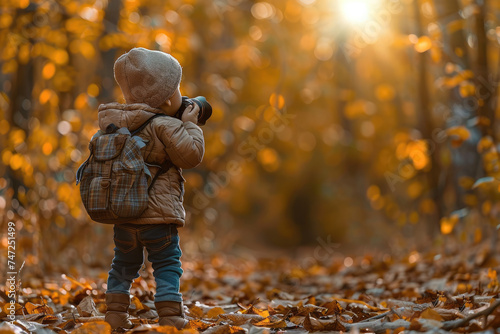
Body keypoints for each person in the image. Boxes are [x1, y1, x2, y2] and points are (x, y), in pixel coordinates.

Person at [99, 47, 205, 330]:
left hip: (123, 214)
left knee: (123, 262)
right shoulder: (164, 125)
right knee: (167, 264)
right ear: (169, 97)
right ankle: (170, 316)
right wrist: (191, 126)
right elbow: (191, 155)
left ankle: (115, 314)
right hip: (158, 217)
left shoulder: (114, 123)